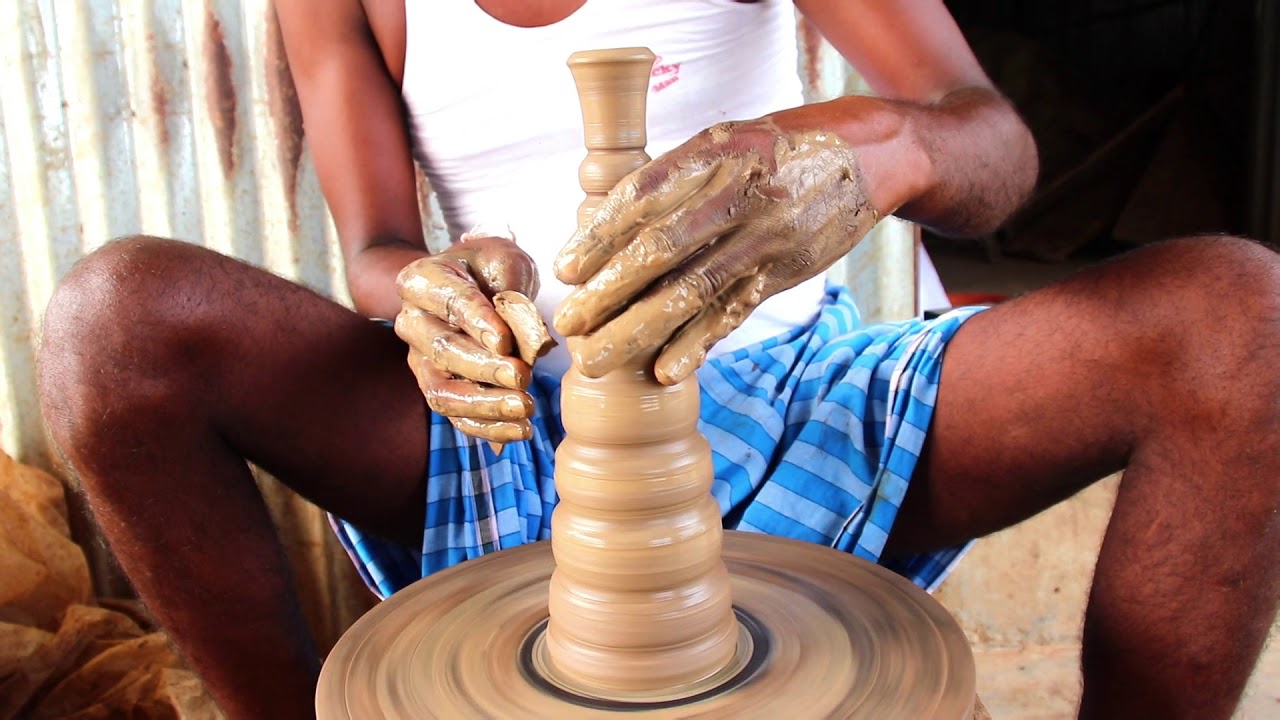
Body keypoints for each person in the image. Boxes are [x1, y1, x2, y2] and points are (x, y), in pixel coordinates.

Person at [34, 1, 1279, 718]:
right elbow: (372, 242)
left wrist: (868, 153)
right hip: (505, 414)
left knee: (1241, 316)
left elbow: (992, 150)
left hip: (800, 380)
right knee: (114, 325)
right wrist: (427, 291)